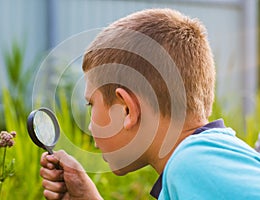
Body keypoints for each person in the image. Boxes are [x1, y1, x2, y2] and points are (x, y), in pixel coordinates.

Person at [39, 8, 260, 199]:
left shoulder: (191, 164)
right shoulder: (206, 157)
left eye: (91, 105)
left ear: (126, 109)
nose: (89, 127)